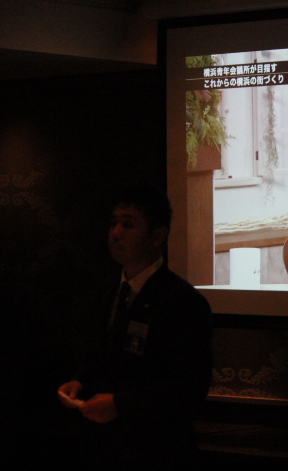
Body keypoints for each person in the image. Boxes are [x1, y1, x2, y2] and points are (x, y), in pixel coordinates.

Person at [57, 185, 213, 470]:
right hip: (100, 447)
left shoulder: (184, 301)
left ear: (157, 236)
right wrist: (80, 382)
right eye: (113, 223)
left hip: (156, 450)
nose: (115, 233)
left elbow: (190, 389)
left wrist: (121, 405)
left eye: (128, 225)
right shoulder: (104, 293)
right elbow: (100, 357)